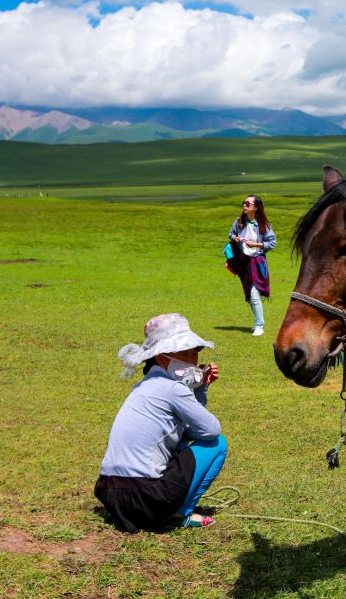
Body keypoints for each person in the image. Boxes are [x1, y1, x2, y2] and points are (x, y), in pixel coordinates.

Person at [95, 313, 228, 533]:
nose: (191, 361)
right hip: (143, 498)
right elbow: (210, 430)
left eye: (194, 354)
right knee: (218, 444)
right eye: (183, 353)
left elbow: (184, 434)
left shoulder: (143, 386)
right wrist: (201, 389)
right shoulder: (173, 388)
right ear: (161, 358)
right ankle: (179, 512)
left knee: (182, 444)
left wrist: (199, 387)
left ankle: (170, 506)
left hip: (112, 497)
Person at [228, 195, 277, 336]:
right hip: (242, 261)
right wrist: (235, 238)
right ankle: (258, 321)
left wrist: (256, 244)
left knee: (255, 294)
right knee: (249, 294)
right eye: (244, 203)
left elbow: (272, 243)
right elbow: (231, 234)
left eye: (248, 203)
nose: (244, 205)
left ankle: (259, 326)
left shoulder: (264, 225)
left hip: (257, 262)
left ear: (256, 207)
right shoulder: (239, 221)